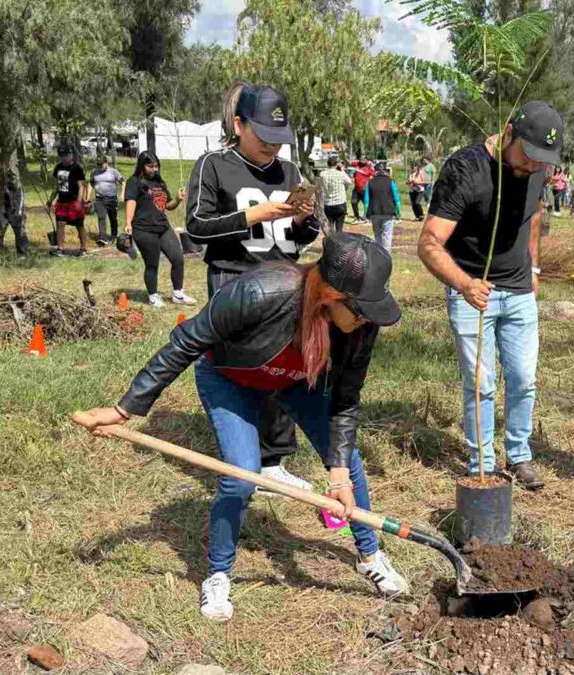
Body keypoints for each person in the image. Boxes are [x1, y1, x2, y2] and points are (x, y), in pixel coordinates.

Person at [74, 232, 411, 621]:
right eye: (363, 310)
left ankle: (370, 555)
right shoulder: (259, 292)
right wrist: (125, 409)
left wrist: (338, 477)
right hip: (230, 379)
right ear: (332, 295)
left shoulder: (360, 326)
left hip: (294, 381)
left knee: (348, 463)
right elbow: (187, 341)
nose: (369, 318)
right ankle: (218, 573)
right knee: (241, 477)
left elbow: (347, 398)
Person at [185, 81, 324, 497]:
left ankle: (274, 461)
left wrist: (303, 222)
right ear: (239, 123)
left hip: (286, 281)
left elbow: (302, 239)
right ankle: (244, 456)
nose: (272, 147)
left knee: (284, 366)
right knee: (244, 367)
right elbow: (196, 227)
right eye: (263, 137)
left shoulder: (291, 171)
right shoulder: (214, 164)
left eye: (279, 140)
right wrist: (253, 215)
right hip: (235, 279)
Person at [418, 100, 562, 489]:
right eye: (528, 156)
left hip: (518, 292)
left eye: (542, 160)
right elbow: (429, 243)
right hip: (472, 292)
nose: (533, 166)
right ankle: (480, 461)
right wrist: (464, 284)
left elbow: (533, 216)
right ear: (508, 132)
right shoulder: (464, 168)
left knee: (524, 378)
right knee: (480, 384)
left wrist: (532, 267)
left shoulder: (537, 169)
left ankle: (519, 455)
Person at [124, 152, 195, 308]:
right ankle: (153, 296)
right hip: (144, 229)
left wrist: (177, 199)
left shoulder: (159, 183)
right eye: (150, 166)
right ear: (142, 166)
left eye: (156, 166)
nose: (154, 169)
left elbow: (167, 206)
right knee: (152, 264)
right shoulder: (134, 182)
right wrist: (128, 222)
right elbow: (131, 202)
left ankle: (178, 294)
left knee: (178, 258)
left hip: (163, 227)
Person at [48, 145, 89, 256]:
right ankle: (60, 248)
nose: (64, 158)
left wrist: (79, 202)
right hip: (62, 201)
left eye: (66, 155)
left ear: (71, 155)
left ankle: (83, 248)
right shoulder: (58, 168)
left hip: (74, 201)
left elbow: (81, 186)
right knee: (60, 223)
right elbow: (57, 185)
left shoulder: (77, 168)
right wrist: (51, 199)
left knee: (79, 225)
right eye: (62, 156)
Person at [364, 160, 401, 251]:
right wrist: (398, 213)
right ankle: (386, 254)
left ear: (375, 171)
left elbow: (366, 200)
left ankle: (379, 253)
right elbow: (396, 199)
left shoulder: (370, 182)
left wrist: (366, 214)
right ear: (385, 171)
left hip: (374, 212)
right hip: (388, 212)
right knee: (387, 235)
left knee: (377, 234)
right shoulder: (391, 182)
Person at [90, 156, 124, 245]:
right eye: (98, 164)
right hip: (99, 199)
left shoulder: (113, 172)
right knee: (101, 217)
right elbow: (91, 184)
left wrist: (122, 194)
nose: (100, 166)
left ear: (106, 163)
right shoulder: (94, 172)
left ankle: (113, 235)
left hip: (111, 198)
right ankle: (102, 238)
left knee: (113, 218)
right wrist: (87, 197)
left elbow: (123, 182)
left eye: (102, 164)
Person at [1, 160, 30, 255]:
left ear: (8, 166)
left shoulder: (13, 178)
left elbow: (20, 195)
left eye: (4, 165)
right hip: (3, 208)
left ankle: (23, 252)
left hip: (15, 209)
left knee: (19, 231)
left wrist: (19, 210)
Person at [318, 157, 353, 233]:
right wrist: (342, 170)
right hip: (340, 203)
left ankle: (332, 242)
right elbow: (349, 182)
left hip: (328, 204)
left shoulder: (322, 174)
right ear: (337, 164)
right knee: (339, 227)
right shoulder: (340, 174)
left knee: (330, 227)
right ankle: (339, 242)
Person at [350, 158, 374, 223]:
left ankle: (369, 217)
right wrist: (358, 161)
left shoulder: (369, 169)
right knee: (353, 202)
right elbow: (351, 162)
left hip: (364, 190)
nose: (362, 161)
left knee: (367, 204)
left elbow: (374, 174)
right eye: (361, 160)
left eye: (364, 160)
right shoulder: (357, 165)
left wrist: (371, 165)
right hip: (356, 189)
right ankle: (357, 217)